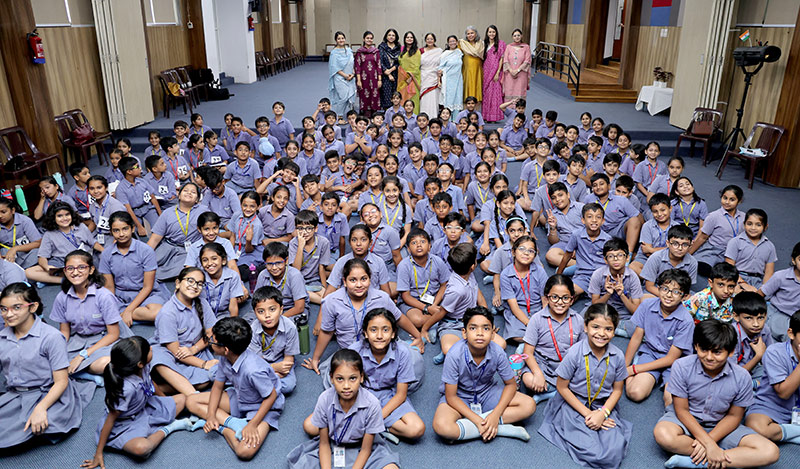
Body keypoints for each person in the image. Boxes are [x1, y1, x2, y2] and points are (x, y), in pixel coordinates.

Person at [653, 319, 780, 469]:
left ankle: (698, 462)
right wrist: (709, 444)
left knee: (770, 452)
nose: (709, 357)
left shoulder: (742, 376)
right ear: (696, 346)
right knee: (663, 434)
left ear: (731, 352)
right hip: (686, 420)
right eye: (703, 350)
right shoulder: (681, 366)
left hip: (721, 425)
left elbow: (734, 416)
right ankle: (722, 456)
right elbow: (682, 410)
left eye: (717, 352)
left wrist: (710, 441)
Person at [538, 303, 632, 469]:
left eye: (608, 329)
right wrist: (589, 414)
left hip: (602, 405)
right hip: (573, 403)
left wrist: (602, 414)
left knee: (615, 450)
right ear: (585, 327)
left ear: (614, 331)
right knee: (595, 452)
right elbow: (562, 387)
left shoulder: (617, 356)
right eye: (596, 327)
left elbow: (618, 390)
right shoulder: (574, 353)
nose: (601, 333)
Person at [0, 282, 89, 449]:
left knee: (36, 425)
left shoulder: (51, 337)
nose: (8, 314)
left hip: (47, 393)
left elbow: (61, 382)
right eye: (4, 309)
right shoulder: (2, 337)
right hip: (16, 394)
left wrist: (41, 408)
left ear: (33, 307)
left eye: (16, 308)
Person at [83, 337, 195, 466]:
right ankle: (169, 427)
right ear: (139, 364)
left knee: (183, 399)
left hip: (145, 407)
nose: (151, 348)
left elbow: (151, 384)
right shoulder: (126, 389)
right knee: (142, 448)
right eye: (149, 350)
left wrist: (165, 402)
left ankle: (155, 426)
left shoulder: (143, 367)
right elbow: (110, 420)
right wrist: (98, 453)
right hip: (125, 424)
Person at [432, 306, 535, 442]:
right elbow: (451, 396)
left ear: (492, 334)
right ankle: (500, 428)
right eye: (473, 328)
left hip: (487, 392)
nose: (480, 333)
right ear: (464, 333)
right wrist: (477, 420)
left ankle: (477, 427)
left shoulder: (497, 352)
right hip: (460, 396)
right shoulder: (454, 355)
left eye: (486, 328)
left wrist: (495, 414)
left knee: (529, 405)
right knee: (442, 426)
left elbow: (511, 385)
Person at [186, 317, 284, 460]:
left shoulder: (253, 370)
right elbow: (217, 387)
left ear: (226, 349)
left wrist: (252, 425)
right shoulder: (225, 358)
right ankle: (233, 423)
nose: (210, 342)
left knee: (244, 452)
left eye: (212, 341)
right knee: (191, 401)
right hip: (240, 397)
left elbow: (271, 396)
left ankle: (224, 429)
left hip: (263, 407)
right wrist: (211, 415)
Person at [288, 349, 401, 469]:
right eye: (340, 379)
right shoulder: (324, 399)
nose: (346, 386)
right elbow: (324, 444)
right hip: (333, 444)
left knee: (391, 468)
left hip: (362, 447)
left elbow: (365, 450)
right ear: (331, 378)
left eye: (352, 378)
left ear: (361, 377)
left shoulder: (372, 404)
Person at [51, 250, 130, 383]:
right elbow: (65, 331)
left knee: (105, 363)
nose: (75, 272)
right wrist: (57, 349)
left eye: (81, 267)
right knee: (48, 360)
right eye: (70, 268)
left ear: (91, 270)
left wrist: (83, 355)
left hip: (105, 340)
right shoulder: (62, 297)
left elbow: (113, 334)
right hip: (78, 341)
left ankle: (78, 371)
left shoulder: (104, 296)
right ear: (65, 271)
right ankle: (82, 373)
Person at [624, 269, 695, 405]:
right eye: (665, 289)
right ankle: (636, 372)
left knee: (671, 401)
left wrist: (634, 369)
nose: (668, 295)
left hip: (675, 363)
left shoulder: (686, 321)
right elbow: (637, 337)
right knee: (635, 393)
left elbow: (671, 358)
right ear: (658, 288)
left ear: (685, 296)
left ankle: (639, 369)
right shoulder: (647, 305)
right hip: (651, 353)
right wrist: (624, 367)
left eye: (676, 292)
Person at [149, 267, 218, 396]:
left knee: (204, 381)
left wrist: (194, 349)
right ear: (178, 283)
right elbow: (175, 351)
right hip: (170, 352)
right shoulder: (167, 313)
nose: (195, 286)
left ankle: (159, 388)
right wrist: (204, 364)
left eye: (199, 283)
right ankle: (195, 397)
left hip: (193, 349)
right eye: (190, 281)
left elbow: (211, 333)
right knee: (159, 359)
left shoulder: (202, 303)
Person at [520, 274, 584, 403]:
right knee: (528, 379)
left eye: (565, 298)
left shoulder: (578, 320)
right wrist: (538, 374)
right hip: (543, 364)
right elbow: (528, 352)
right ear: (547, 298)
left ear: (572, 300)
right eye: (554, 297)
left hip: (568, 366)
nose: (560, 302)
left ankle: (551, 393)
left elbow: (582, 350)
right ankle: (561, 391)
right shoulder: (537, 319)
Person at [745, 310, 800, 445]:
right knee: (756, 427)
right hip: (772, 407)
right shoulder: (775, 352)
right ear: (791, 334)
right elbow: (783, 393)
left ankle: (786, 433)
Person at [100, 211, 163, 325]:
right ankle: (127, 313)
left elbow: (147, 287)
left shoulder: (146, 250)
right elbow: (109, 287)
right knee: (95, 311)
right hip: (120, 295)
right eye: (116, 230)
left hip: (145, 294)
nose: (121, 234)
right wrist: (110, 304)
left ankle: (122, 314)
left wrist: (128, 310)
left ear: (132, 228)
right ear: (111, 232)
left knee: (157, 312)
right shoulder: (106, 253)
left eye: (125, 229)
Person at [248, 286, 300, 394]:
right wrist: (274, 369)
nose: (267, 315)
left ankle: (260, 388)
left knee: (289, 385)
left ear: (281, 309)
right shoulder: (253, 329)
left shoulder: (290, 327)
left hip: (280, 359)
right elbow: (257, 363)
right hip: (261, 361)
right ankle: (267, 386)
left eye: (272, 309)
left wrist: (281, 369)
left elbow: (288, 360)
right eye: (261, 311)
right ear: (255, 313)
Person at [329, 31, 357, 118]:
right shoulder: (334, 53)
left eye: (342, 38)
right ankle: (339, 116)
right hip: (340, 78)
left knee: (352, 95)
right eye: (339, 39)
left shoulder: (349, 50)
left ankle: (351, 115)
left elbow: (353, 63)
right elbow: (334, 67)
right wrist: (345, 75)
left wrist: (353, 74)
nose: (341, 40)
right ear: (336, 40)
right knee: (343, 97)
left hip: (351, 77)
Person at [355, 31, 382, 117]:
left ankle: (374, 113)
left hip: (374, 77)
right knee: (364, 94)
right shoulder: (359, 52)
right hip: (363, 78)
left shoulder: (376, 51)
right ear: (364, 39)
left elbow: (379, 65)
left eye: (371, 38)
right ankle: (365, 114)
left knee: (374, 94)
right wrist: (359, 80)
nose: (369, 40)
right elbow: (357, 67)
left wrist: (380, 80)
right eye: (367, 38)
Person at [481, 25, 505, 122]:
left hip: (495, 72)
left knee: (494, 94)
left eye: (493, 32)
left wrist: (497, 72)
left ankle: (494, 117)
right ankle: (486, 116)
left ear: (496, 33)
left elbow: (501, 59)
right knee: (486, 94)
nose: (491, 34)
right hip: (485, 71)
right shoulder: (484, 44)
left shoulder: (501, 44)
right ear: (487, 33)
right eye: (490, 32)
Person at [502, 29, 531, 101]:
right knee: (509, 91)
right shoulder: (509, 46)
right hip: (509, 74)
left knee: (520, 92)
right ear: (512, 37)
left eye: (518, 35)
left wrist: (518, 70)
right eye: (515, 36)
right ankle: (509, 107)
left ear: (521, 36)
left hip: (521, 74)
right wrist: (511, 70)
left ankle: (519, 107)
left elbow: (527, 61)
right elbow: (505, 60)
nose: (517, 37)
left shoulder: (526, 47)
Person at [419, 33, 443, 119]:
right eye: (428, 39)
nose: (430, 40)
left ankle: (433, 118)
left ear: (434, 40)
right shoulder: (421, 51)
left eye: (431, 39)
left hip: (434, 78)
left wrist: (440, 73)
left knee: (433, 99)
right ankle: (423, 119)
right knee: (424, 98)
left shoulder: (439, 51)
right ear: (425, 40)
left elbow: (442, 64)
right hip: (424, 77)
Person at [439, 36, 464, 113]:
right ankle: (448, 118)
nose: (452, 43)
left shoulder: (459, 52)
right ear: (448, 43)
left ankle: (456, 118)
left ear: (456, 42)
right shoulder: (445, 54)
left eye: (454, 41)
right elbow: (440, 68)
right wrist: (439, 79)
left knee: (458, 98)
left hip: (458, 79)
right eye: (450, 41)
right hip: (449, 80)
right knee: (449, 99)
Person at [398, 31, 421, 113]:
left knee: (413, 99)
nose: (409, 39)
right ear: (404, 39)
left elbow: (416, 66)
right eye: (407, 37)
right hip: (402, 79)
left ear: (414, 39)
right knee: (403, 99)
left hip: (413, 79)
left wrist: (410, 77)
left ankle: (414, 117)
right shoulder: (402, 50)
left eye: (411, 37)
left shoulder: (416, 51)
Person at [460, 26, 485, 103]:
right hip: (467, 71)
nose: (470, 35)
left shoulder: (481, 44)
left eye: (472, 33)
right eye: (468, 34)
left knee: (477, 87)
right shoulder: (462, 44)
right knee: (468, 87)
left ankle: (477, 107)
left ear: (476, 34)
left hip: (478, 70)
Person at [379, 29, 402, 109]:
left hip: (396, 74)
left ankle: (396, 113)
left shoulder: (398, 48)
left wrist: (391, 70)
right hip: (385, 75)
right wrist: (388, 73)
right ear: (386, 36)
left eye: (393, 35)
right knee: (386, 95)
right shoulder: (382, 47)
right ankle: (387, 113)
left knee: (396, 95)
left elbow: (399, 62)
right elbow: (380, 61)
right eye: (389, 35)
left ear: (396, 37)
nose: (391, 37)